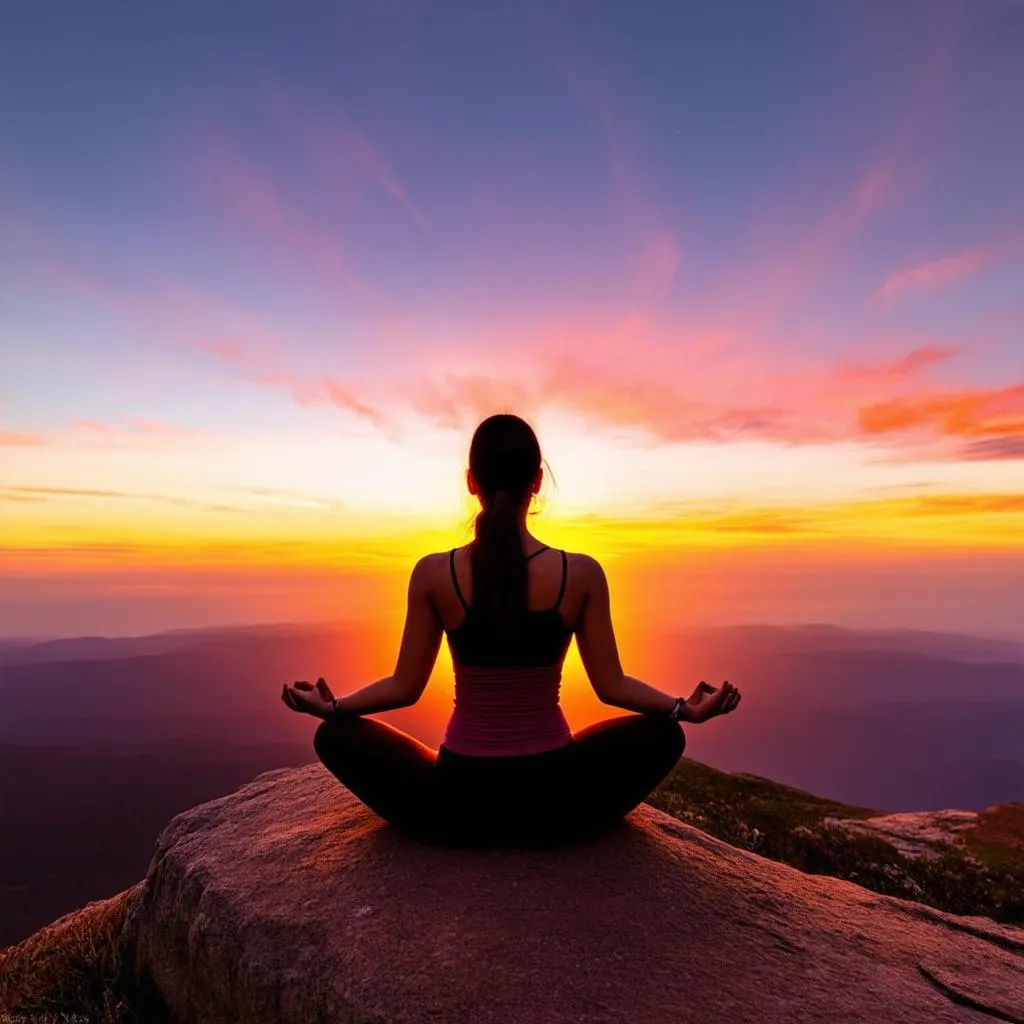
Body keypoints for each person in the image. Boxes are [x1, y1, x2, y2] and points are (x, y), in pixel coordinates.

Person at [281, 412, 741, 847]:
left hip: (454, 807)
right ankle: (553, 826)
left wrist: (335, 706)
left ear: (471, 481)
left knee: (333, 735)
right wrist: (683, 709)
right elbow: (611, 685)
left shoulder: (433, 573)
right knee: (666, 734)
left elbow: (405, 687)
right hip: (556, 806)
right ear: (537, 481)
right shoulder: (579, 574)